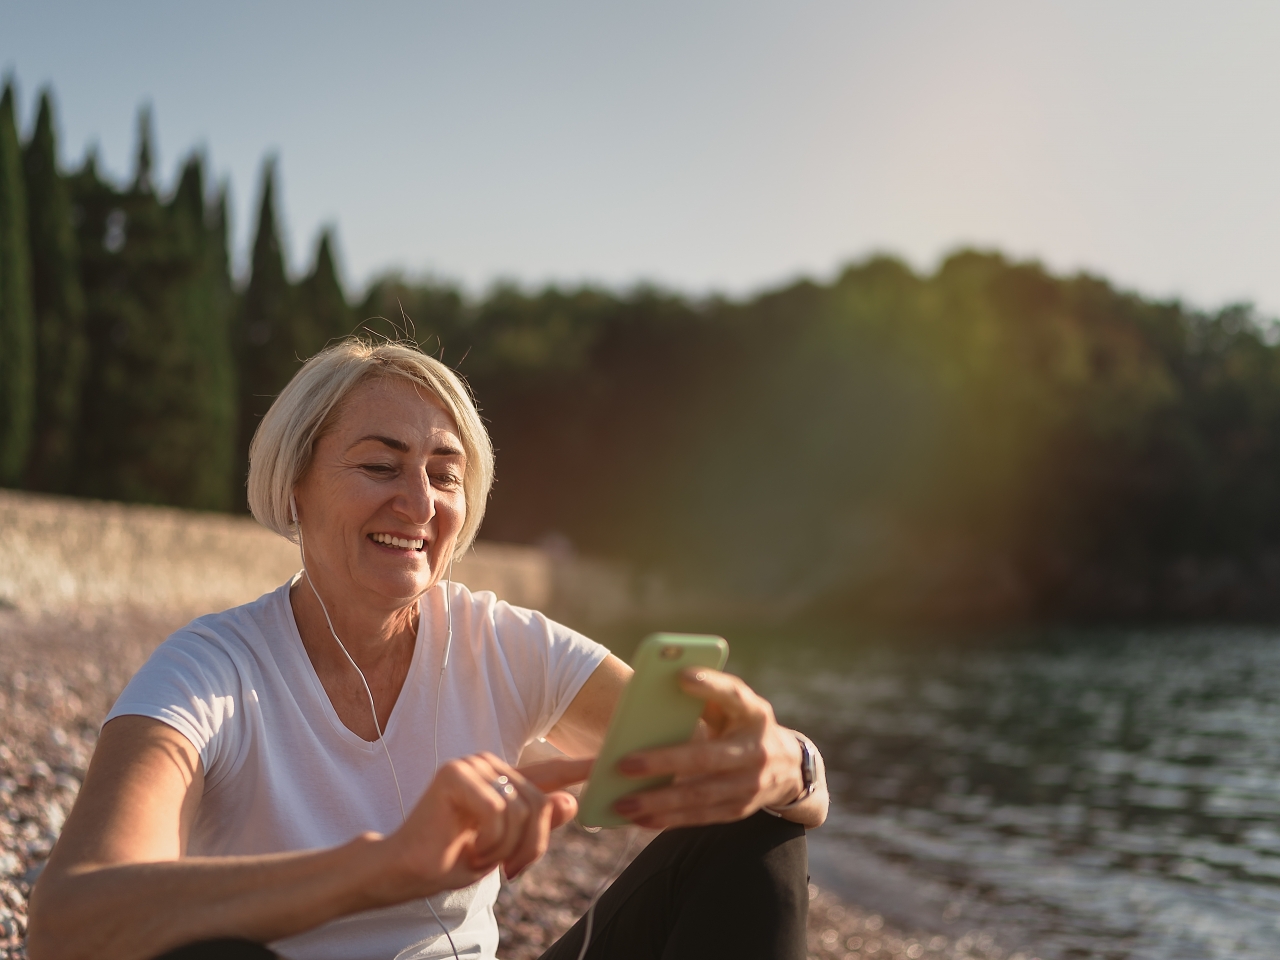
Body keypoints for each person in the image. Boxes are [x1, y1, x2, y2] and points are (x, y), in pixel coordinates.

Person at [26, 338, 828, 960]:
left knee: (753, 826)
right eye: (379, 465)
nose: (417, 503)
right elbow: (68, 923)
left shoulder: (501, 642)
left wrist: (782, 762)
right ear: (295, 485)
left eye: (445, 476)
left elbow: (748, 781)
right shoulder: (211, 670)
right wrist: (389, 866)